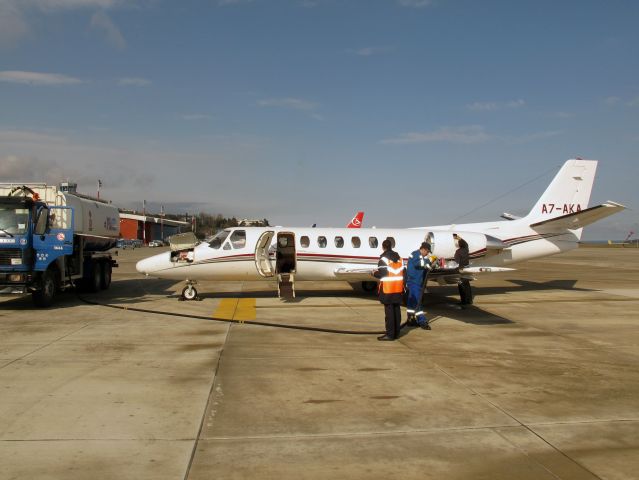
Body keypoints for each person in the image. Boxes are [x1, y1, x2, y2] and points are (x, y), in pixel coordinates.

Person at [373, 238, 404, 341]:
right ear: (391, 246)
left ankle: (390, 334)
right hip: (398, 288)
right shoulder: (399, 258)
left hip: (388, 289)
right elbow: (403, 272)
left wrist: (374, 273)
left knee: (389, 313)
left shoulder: (383, 259)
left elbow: (382, 274)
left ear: (383, 247)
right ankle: (397, 332)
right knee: (396, 310)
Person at [406, 242, 434, 329]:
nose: (427, 254)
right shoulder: (415, 254)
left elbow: (422, 263)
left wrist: (428, 263)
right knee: (418, 302)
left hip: (415, 282)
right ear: (424, 249)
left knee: (412, 301)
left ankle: (410, 319)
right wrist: (429, 261)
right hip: (414, 282)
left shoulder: (420, 256)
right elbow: (418, 264)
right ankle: (422, 321)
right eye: (427, 252)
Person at [454, 236, 473, 306]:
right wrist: (458, 237)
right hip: (467, 268)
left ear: (459, 245)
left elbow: (456, 261)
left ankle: (463, 301)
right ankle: (469, 300)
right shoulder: (466, 249)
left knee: (461, 285)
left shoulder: (458, 251)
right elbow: (465, 243)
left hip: (461, 269)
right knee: (467, 285)